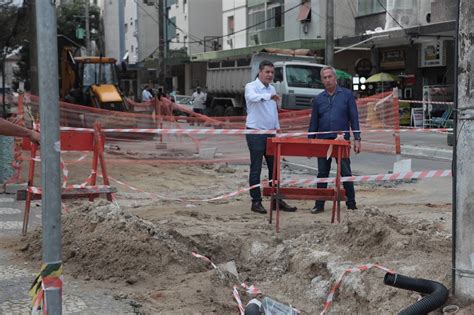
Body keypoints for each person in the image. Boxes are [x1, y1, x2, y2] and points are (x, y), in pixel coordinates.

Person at [245, 60, 297, 214]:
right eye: (267, 72)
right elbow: (254, 98)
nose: (270, 75)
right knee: (256, 168)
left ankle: (277, 200)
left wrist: (277, 128)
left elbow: (274, 112)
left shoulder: (272, 88)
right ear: (260, 72)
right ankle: (256, 201)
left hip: (271, 133)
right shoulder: (251, 87)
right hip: (255, 133)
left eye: (272, 72)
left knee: (274, 168)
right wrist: (269, 96)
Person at [308, 66, 361, 214]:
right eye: (324, 78)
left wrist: (357, 138)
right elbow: (314, 122)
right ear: (322, 80)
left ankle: (351, 203)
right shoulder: (318, 99)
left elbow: (354, 118)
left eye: (329, 77)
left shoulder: (347, 95)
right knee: (322, 173)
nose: (327, 80)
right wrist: (310, 142)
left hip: (341, 140)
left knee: (346, 172)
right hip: (322, 141)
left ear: (335, 77)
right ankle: (319, 204)